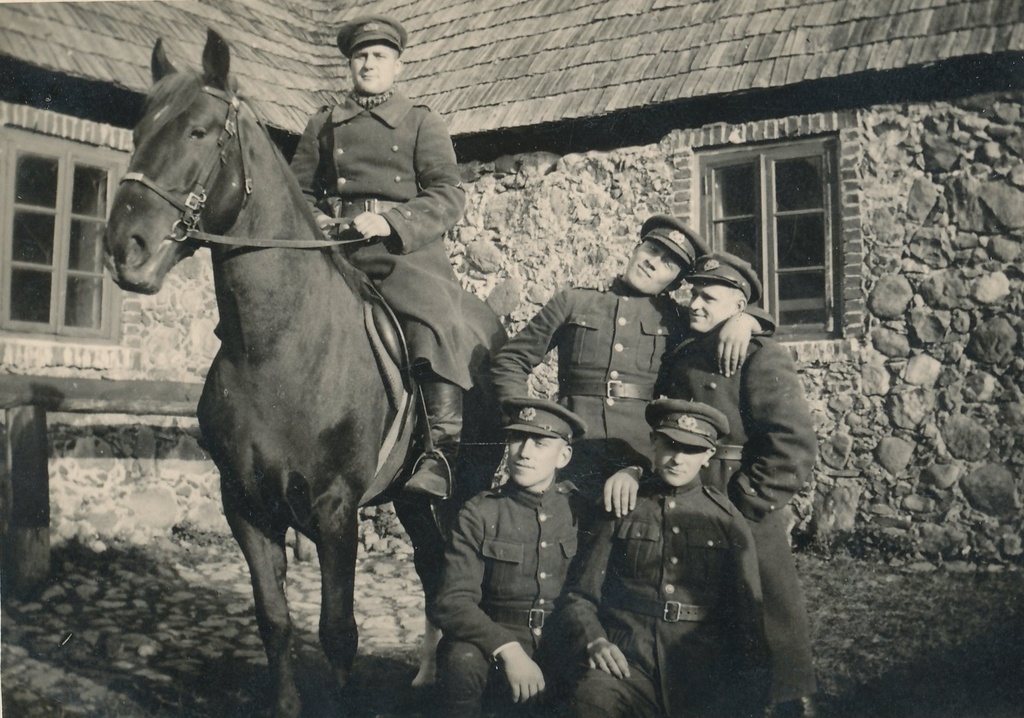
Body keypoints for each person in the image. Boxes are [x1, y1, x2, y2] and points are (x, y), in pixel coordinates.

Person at [290, 14, 504, 498]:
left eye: (379, 56)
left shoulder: (421, 121)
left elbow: (448, 193)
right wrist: (316, 219)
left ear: (397, 66)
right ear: (349, 65)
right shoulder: (322, 123)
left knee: (435, 320)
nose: (369, 64)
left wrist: (391, 222)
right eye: (360, 56)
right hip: (335, 247)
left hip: (402, 253)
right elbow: (296, 190)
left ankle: (439, 453)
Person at [490, 215, 772, 514]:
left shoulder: (677, 320)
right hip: (572, 449)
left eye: (668, 263)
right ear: (636, 249)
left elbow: (722, 313)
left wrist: (749, 320)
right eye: (651, 250)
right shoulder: (575, 302)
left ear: (675, 283)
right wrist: (529, 426)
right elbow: (511, 360)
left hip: (638, 459)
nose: (653, 262)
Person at [660, 252, 820, 718]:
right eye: (693, 294)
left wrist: (747, 502)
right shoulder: (686, 352)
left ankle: (788, 702)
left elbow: (792, 443)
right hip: (693, 499)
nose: (695, 305)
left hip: (741, 503)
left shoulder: (761, 354)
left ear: (737, 306)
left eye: (709, 298)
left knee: (768, 613)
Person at [559, 399, 763, 718]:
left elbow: (747, 623)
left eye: (692, 449)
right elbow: (579, 597)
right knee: (589, 702)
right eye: (670, 444)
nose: (678, 458)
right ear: (653, 442)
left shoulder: (726, 520)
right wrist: (594, 640)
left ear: (709, 455)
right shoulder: (623, 507)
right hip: (628, 665)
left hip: (700, 673)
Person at [430, 397, 587, 718]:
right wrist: (508, 649)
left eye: (540, 443)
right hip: (495, 641)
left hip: (560, 642)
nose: (524, 452)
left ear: (564, 456)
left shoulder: (580, 511)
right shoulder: (480, 511)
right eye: (517, 438)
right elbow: (453, 601)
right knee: (462, 660)